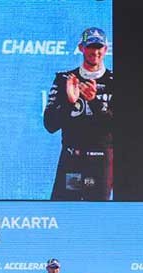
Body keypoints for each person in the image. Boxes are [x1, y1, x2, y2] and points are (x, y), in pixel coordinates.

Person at [43, 27, 113, 200]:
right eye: (90, 47)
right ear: (81, 48)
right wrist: (69, 102)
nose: (95, 52)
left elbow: (116, 127)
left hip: (100, 163)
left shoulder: (114, 81)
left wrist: (95, 102)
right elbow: (50, 125)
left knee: (96, 219)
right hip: (72, 160)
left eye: (99, 47)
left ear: (105, 49)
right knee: (64, 214)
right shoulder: (65, 80)